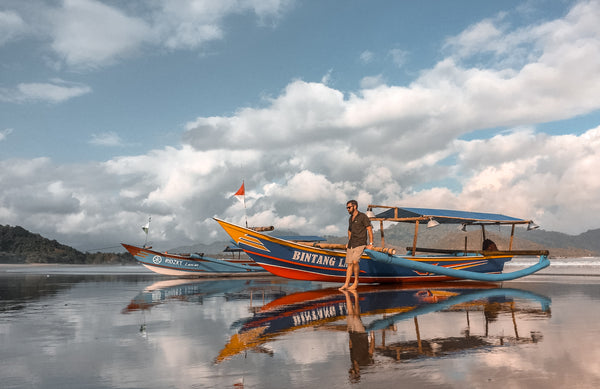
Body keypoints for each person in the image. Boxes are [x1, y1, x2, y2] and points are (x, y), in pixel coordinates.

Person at [340, 200, 373, 290]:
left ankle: (356, 282)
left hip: (360, 243)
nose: (347, 209)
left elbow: (369, 229)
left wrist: (370, 243)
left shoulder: (363, 216)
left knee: (355, 261)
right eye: (347, 208)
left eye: (349, 207)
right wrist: (349, 241)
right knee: (349, 264)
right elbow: (349, 230)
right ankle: (346, 284)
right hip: (352, 243)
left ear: (355, 207)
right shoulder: (350, 218)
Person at [341, 289, 374, 381]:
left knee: (351, 313)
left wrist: (349, 335)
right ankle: (356, 297)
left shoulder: (352, 361)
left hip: (352, 333)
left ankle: (347, 295)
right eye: (353, 372)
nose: (351, 370)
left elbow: (351, 347)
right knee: (356, 316)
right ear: (357, 372)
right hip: (361, 334)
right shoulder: (365, 363)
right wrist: (372, 336)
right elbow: (371, 350)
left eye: (351, 372)